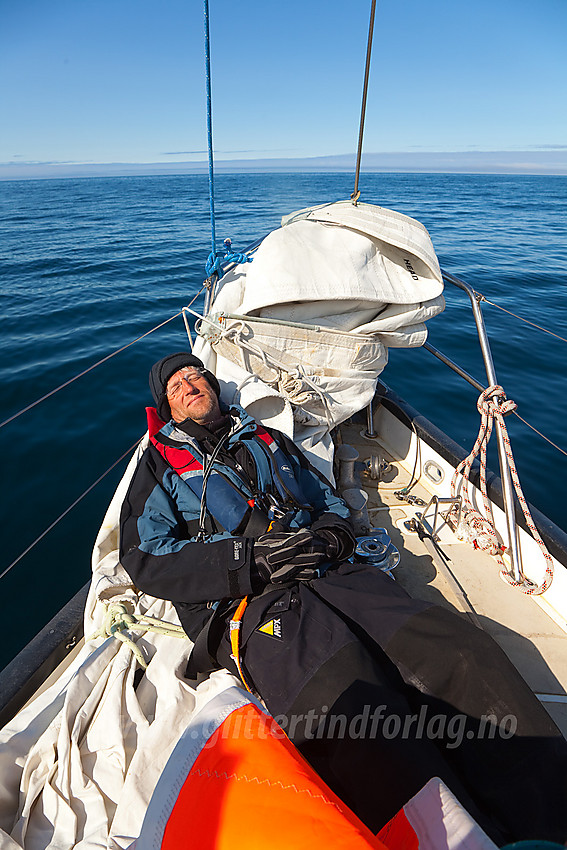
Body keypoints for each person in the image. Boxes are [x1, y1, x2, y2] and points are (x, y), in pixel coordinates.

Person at [120, 352, 567, 844]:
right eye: (176, 385)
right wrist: (248, 561)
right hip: (253, 601)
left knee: (461, 651)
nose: (189, 384)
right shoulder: (158, 467)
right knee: (354, 705)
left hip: (331, 570)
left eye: (196, 375)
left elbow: (325, 499)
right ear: (169, 408)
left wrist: (334, 533)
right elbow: (146, 558)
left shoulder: (270, 440)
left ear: (213, 385)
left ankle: (552, 821)